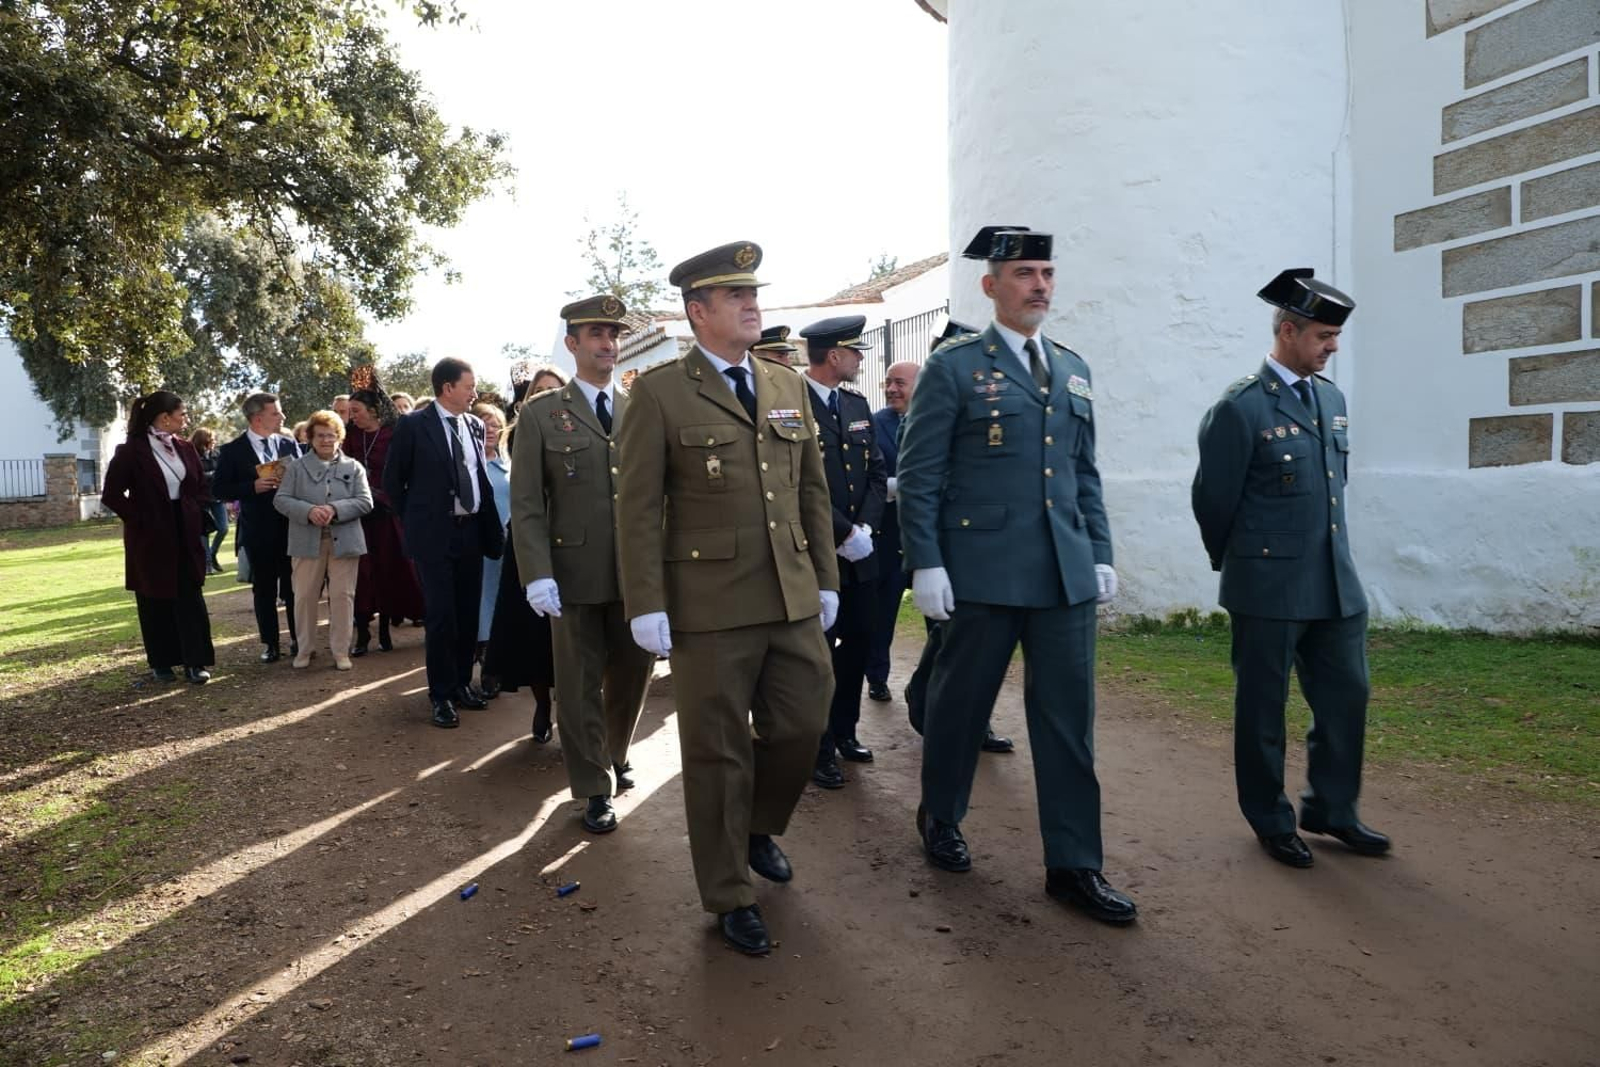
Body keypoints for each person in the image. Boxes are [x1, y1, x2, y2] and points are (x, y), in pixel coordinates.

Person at [897, 225, 1135, 926]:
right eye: (1026, 272)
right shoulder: (954, 368)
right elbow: (920, 475)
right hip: (983, 572)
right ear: (991, 284)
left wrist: (1099, 550)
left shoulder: (1072, 367)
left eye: (1047, 272)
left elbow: (1083, 472)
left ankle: (1074, 863)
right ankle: (941, 813)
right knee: (960, 706)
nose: (1040, 285)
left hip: (1063, 575)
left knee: (1067, 723)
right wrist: (927, 563)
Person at [616, 241, 838, 956]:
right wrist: (645, 600)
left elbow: (810, 490)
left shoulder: (785, 384)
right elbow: (639, 507)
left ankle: (756, 823)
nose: (753, 304)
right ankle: (729, 891)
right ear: (697, 310)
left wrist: (826, 578)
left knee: (804, 722)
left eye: (754, 293)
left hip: (791, 593)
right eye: (735, 295)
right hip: (707, 603)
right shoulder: (658, 393)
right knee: (714, 751)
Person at [1191, 268, 1390, 868]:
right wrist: (1240, 566)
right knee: (1263, 709)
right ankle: (1270, 819)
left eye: (1335, 337)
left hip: (1334, 581)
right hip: (1267, 584)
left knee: (1346, 698)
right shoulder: (1240, 408)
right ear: (1287, 330)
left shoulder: (1331, 399)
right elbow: (1213, 500)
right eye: (1324, 336)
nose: (1332, 348)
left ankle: (1332, 808)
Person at [512, 295, 658, 834]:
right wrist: (537, 572)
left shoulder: (641, 407)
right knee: (577, 685)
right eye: (596, 334)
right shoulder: (541, 415)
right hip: (571, 574)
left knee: (633, 675)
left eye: (613, 334)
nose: (608, 343)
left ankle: (615, 751)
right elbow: (527, 502)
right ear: (572, 344)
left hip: (635, 573)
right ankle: (594, 786)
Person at [898, 323, 1016, 755]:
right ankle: (928, 699)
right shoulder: (929, 406)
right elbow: (921, 477)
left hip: (985, 544)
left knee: (977, 640)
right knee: (951, 639)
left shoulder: (989, 401)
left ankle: (973, 721)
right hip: (948, 543)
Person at [383, 357, 504, 728]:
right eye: (469, 386)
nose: (474, 393)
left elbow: (477, 477)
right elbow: (392, 482)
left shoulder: (473, 425)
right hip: (434, 536)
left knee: (468, 614)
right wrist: (419, 520)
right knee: (440, 617)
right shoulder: (412, 425)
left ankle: (462, 685)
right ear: (447, 387)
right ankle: (440, 695)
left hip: (471, 532)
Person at [797, 315, 887, 789]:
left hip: (862, 554)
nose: (858, 360)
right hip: (817, 555)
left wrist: (866, 527)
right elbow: (794, 483)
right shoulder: (790, 404)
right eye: (855, 352)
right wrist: (842, 533)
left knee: (857, 644)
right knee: (817, 655)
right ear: (834, 356)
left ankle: (846, 730)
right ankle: (818, 746)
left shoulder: (856, 402)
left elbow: (875, 471)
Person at [102, 391, 216, 684]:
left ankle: (196, 662)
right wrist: (139, 518)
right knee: (155, 596)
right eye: (182, 414)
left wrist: (195, 508)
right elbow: (112, 495)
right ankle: (162, 662)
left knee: (190, 595)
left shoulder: (186, 448)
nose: (186, 419)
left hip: (185, 529)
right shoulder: (131, 450)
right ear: (165, 417)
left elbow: (199, 486)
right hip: (150, 535)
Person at [482, 366, 563, 738]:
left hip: (574, 541)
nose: (547, 395)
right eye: (540, 390)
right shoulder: (520, 435)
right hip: (530, 539)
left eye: (554, 389)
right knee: (532, 631)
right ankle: (543, 705)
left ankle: (573, 707)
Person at [274, 410, 373, 670]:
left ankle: (341, 652)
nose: (326, 440)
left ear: (339, 437)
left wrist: (335, 509)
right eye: (320, 436)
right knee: (304, 596)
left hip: (346, 542)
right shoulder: (296, 468)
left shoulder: (354, 467)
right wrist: (308, 511)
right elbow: (280, 500)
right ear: (311, 438)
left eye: (331, 435)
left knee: (343, 597)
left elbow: (365, 501)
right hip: (306, 542)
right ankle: (304, 650)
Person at [212, 392, 302, 662]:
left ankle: (299, 638)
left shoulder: (288, 444)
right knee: (264, 589)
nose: (282, 417)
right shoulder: (232, 451)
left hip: (291, 528)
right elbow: (218, 489)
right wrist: (250, 487)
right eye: (276, 413)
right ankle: (271, 643)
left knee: (294, 587)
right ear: (257, 417)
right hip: (258, 531)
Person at [345, 373, 426, 656]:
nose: (350, 416)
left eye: (356, 411)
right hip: (357, 516)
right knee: (363, 576)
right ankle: (363, 634)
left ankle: (384, 632)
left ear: (373, 410)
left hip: (389, 514)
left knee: (391, 571)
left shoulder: (394, 432)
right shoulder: (350, 436)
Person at [474, 401, 510, 675]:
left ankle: (494, 664)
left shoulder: (510, 465)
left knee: (501, 602)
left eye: (496, 424)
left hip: (507, 547)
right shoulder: (466, 465)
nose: (491, 429)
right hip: (473, 547)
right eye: (484, 423)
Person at [190, 427, 229, 574]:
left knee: (223, 528)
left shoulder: (216, 454)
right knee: (204, 531)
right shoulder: (192, 454)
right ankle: (206, 564)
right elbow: (195, 475)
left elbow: (223, 471)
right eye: (211, 439)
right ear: (203, 441)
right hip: (200, 498)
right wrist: (212, 474)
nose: (214, 442)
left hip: (216, 497)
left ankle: (212, 554)